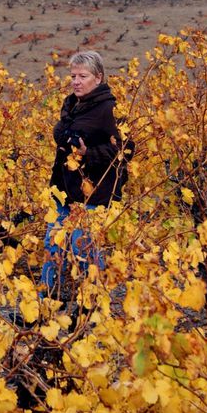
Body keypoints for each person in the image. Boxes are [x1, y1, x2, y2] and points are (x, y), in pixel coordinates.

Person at [41, 51, 131, 301]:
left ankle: (95, 305)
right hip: (64, 189)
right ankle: (44, 305)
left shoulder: (110, 109)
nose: (76, 81)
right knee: (52, 247)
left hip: (94, 192)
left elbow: (126, 150)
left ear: (98, 78)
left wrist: (88, 153)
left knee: (83, 250)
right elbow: (62, 134)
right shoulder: (71, 104)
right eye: (73, 76)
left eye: (83, 76)